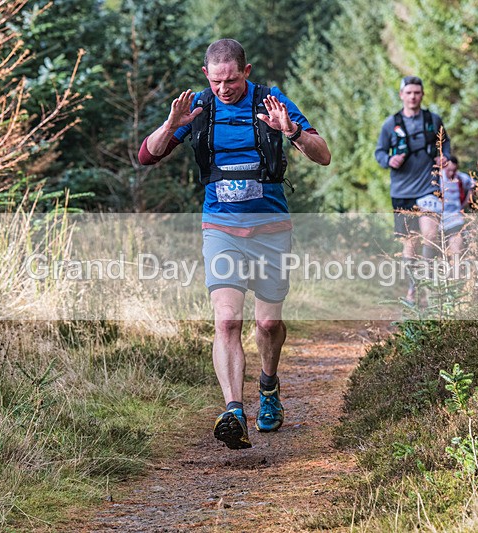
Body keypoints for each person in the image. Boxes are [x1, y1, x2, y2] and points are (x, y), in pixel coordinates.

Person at [138, 38, 330, 450]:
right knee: (226, 321)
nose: (224, 88)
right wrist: (172, 125)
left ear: (246, 71)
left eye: (232, 80)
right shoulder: (199, 109)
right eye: (216, 80)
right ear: (206, 75)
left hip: (271, 229)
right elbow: (147, 156)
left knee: (267, 324)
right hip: (221, 229)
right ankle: (233, 411)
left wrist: (291, 130)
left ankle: (269, 387)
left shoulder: (271, 100)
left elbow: (323, 155)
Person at [374, 75, 450, 303]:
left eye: (417, 92)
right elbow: (379, 152)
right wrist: (389, 161)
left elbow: (445, 145)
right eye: (408, 92)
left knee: (431, 235)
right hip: (402, 192)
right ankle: (413, 288)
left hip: (428, 187)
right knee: (410, 243)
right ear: (401, 95)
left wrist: (444, 158)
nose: (413, 96)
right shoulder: (391, 124)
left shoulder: (433, 120)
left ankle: (428, 285)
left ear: (422, 94)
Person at [439, 155, 476, 256]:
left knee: (456, 249)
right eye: (449, 170)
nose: (451, 173)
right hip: (439, 219)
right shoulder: (438, 177)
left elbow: (474, 186)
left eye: (454, 170)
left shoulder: (461, 177)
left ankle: (456, 270)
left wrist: (466, 202)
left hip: (455, 219)